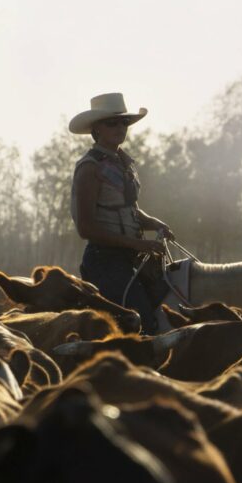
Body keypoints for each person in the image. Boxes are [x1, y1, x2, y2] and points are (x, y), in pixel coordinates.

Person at [69, 92, 174, 334]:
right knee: (142, 323)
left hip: (130, 259)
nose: (120, 127)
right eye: (112, 123)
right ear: (97, 129)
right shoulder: (89, 168)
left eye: (123, 122)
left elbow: (130, 210)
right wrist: (138, 244)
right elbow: (86, 228)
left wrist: (154, 224)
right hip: (104, 262)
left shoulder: (123, 163)